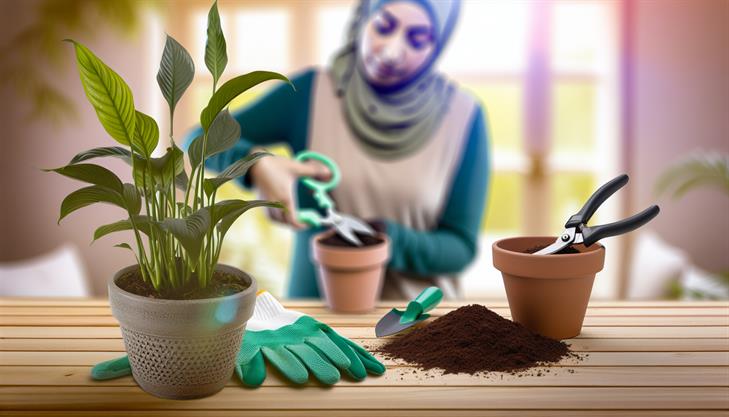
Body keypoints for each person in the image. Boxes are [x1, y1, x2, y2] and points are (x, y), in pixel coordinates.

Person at [184, 0, 490, 300]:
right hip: (317, 322)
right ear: (364, 17)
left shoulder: (464, 118)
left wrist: (382, 238)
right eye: (384, 27)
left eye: (417, 39)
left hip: (421, 322)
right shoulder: (310, 93)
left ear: (437, 46)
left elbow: (460, 247)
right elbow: (199, 139)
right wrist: (256, 165)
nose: (393, 51)